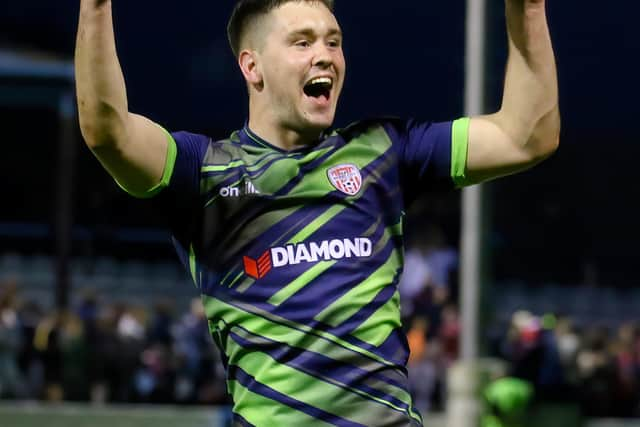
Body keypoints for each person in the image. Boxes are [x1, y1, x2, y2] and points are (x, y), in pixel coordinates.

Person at [74, 0, 560, 425]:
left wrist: (528, 8)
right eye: (302, 42)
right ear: (252, 66)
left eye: (333, 41)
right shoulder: (203, 172)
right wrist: (95, 6)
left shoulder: (384, 151)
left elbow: (525, 136)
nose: (324, 54)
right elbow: (108, 131)